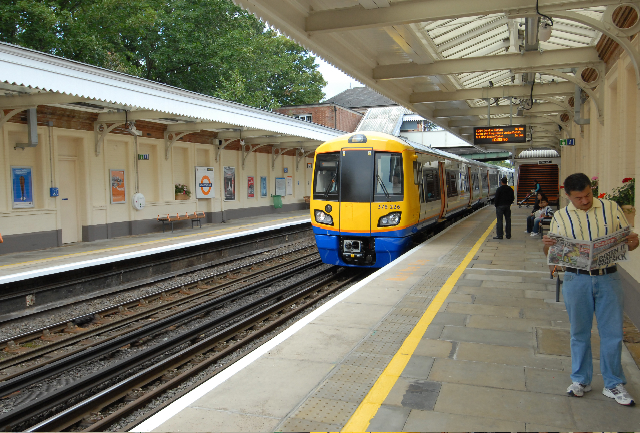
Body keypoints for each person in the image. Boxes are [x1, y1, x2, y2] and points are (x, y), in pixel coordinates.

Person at [543, 172, 640, 406]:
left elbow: (630, 241)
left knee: (613, 333)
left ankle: (614, 383)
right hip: (576, 280)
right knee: (579, 333)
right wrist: (547, 247)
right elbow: (551, 254)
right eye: (579, 198)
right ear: (568, 196)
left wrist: (634, 242)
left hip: (609, 277)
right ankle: (581, 380)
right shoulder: (560, 217)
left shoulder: (611, 208)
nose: (585, 201)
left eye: (588, 195)